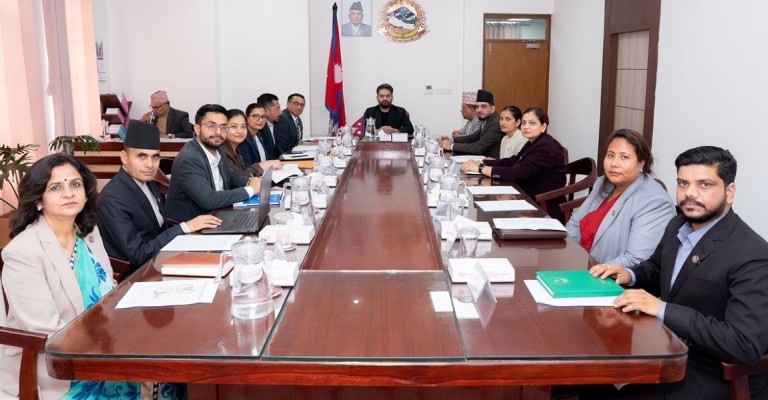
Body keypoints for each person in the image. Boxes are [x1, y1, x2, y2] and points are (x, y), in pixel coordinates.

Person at [589, 146, 768, 399]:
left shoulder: (753, 254)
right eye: (683, 183)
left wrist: (662, 309)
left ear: (729, 192)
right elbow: (657, 268)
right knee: (590, 375)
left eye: (704, 184)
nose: (690, 193)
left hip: (714, 374)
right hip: (667, 347)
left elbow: (744, 344)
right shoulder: (678, 224)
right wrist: (630, 274)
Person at [0, 154, 182, 399]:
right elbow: (46, 332)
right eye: (56, 187)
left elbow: (108, 293)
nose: (68, 193)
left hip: (104, 345)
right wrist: (115, 346)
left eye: (75, 184)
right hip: (59, 369)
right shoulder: (23, 253)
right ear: (38, 201)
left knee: (173, 376)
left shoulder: (88, 233)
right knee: (157, 373)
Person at [97, 120, 222, 271]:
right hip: (140, 272)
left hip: (162, 256)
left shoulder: (148, 181)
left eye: (155, 157)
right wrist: (184, 227)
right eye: (141, 156)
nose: (150, 165)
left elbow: (161, 228)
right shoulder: (112, 199)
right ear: (124, 157)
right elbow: (138, 255)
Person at [566, 129, 676, 268]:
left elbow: (635, 259)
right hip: (578, 262)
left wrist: (592, 271)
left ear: (641, 163)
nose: (614, 163)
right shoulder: (603, 183)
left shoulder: (655, 202)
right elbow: (574, 223)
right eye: (610, 155)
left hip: (608, 277)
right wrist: (568, 255)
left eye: (624, 157)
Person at [461, 107, 565, 221]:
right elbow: (513, 161)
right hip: (526, 198)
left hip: (543, 207)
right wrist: (482, 162)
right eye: (524, 123)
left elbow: (516, 172)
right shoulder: (535, 142)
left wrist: (481, 168)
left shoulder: (545, 147)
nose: (526, 127)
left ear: (543, 126)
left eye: (532, 123)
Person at [166, 104, 262, 221]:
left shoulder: (218, 148)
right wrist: (251, 190)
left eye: (223, 127)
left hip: (218, 214)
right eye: (212, 126)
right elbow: (209, 200)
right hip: (194, 224)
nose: (218, 132)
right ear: (197, 129)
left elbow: (230, 176)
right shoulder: (189, 158)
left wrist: (249, 182)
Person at [438, 89, 504, 159]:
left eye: (483, 106)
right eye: (477, 107)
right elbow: (472, 138)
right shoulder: (486, 120)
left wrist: (451, 146)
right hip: (482, 158)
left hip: (491, 162)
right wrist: (451, 140)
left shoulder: (495, 124)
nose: (479, 110)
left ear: (492, 109)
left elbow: (478, 147)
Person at [224, 108, 283, 177]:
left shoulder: (236, 149)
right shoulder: (223, 152)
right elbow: (239, 177)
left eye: (243, 127)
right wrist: (264, 165)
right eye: (234, 126)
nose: (240, 131)